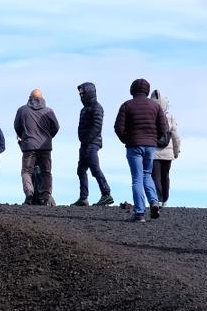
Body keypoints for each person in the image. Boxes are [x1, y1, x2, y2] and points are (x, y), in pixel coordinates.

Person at [113, 78, 169, 221]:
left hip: (134, 146)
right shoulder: (155, 107)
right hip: (150, 146)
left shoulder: (127, 105)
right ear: (147, 90)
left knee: (137, 178)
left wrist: (127, 139)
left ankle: (139, 213)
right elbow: (164, 128)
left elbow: (118, 128)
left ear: (132, 89)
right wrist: (154, 140)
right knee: (147, 174)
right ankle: (154, 202)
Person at [14, 89, 61, 205]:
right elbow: (56, 127)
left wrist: (24, 137)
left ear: (30, 97)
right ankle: (45, 197)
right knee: (46, 172)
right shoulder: (49, 111)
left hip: (29, 146)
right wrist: (48, 137)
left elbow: (17, 126)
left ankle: (29, 192)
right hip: (45, 147)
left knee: (26, 171)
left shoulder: (22, 110)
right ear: (42, 98)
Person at [73, 82, 115, 207]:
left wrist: (88, 141)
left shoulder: (97, 108)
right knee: (81, 170)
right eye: (80, 93)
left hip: (92, 144)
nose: (81, 96)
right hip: (85, 144)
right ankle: (83, 198)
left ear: (89, 93)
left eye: (82, 93)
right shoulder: (84, 109)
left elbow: (97, 127)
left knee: (95, 169)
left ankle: (106, 194)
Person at [150, 89, 181, 205]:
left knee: (155, 176)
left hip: (154, 152)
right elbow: (176, 136)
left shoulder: (150, 115)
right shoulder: (171, 117)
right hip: (168, 153)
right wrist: (176, 151)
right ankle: (165, 199)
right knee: (165, 176)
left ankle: (158, 198)